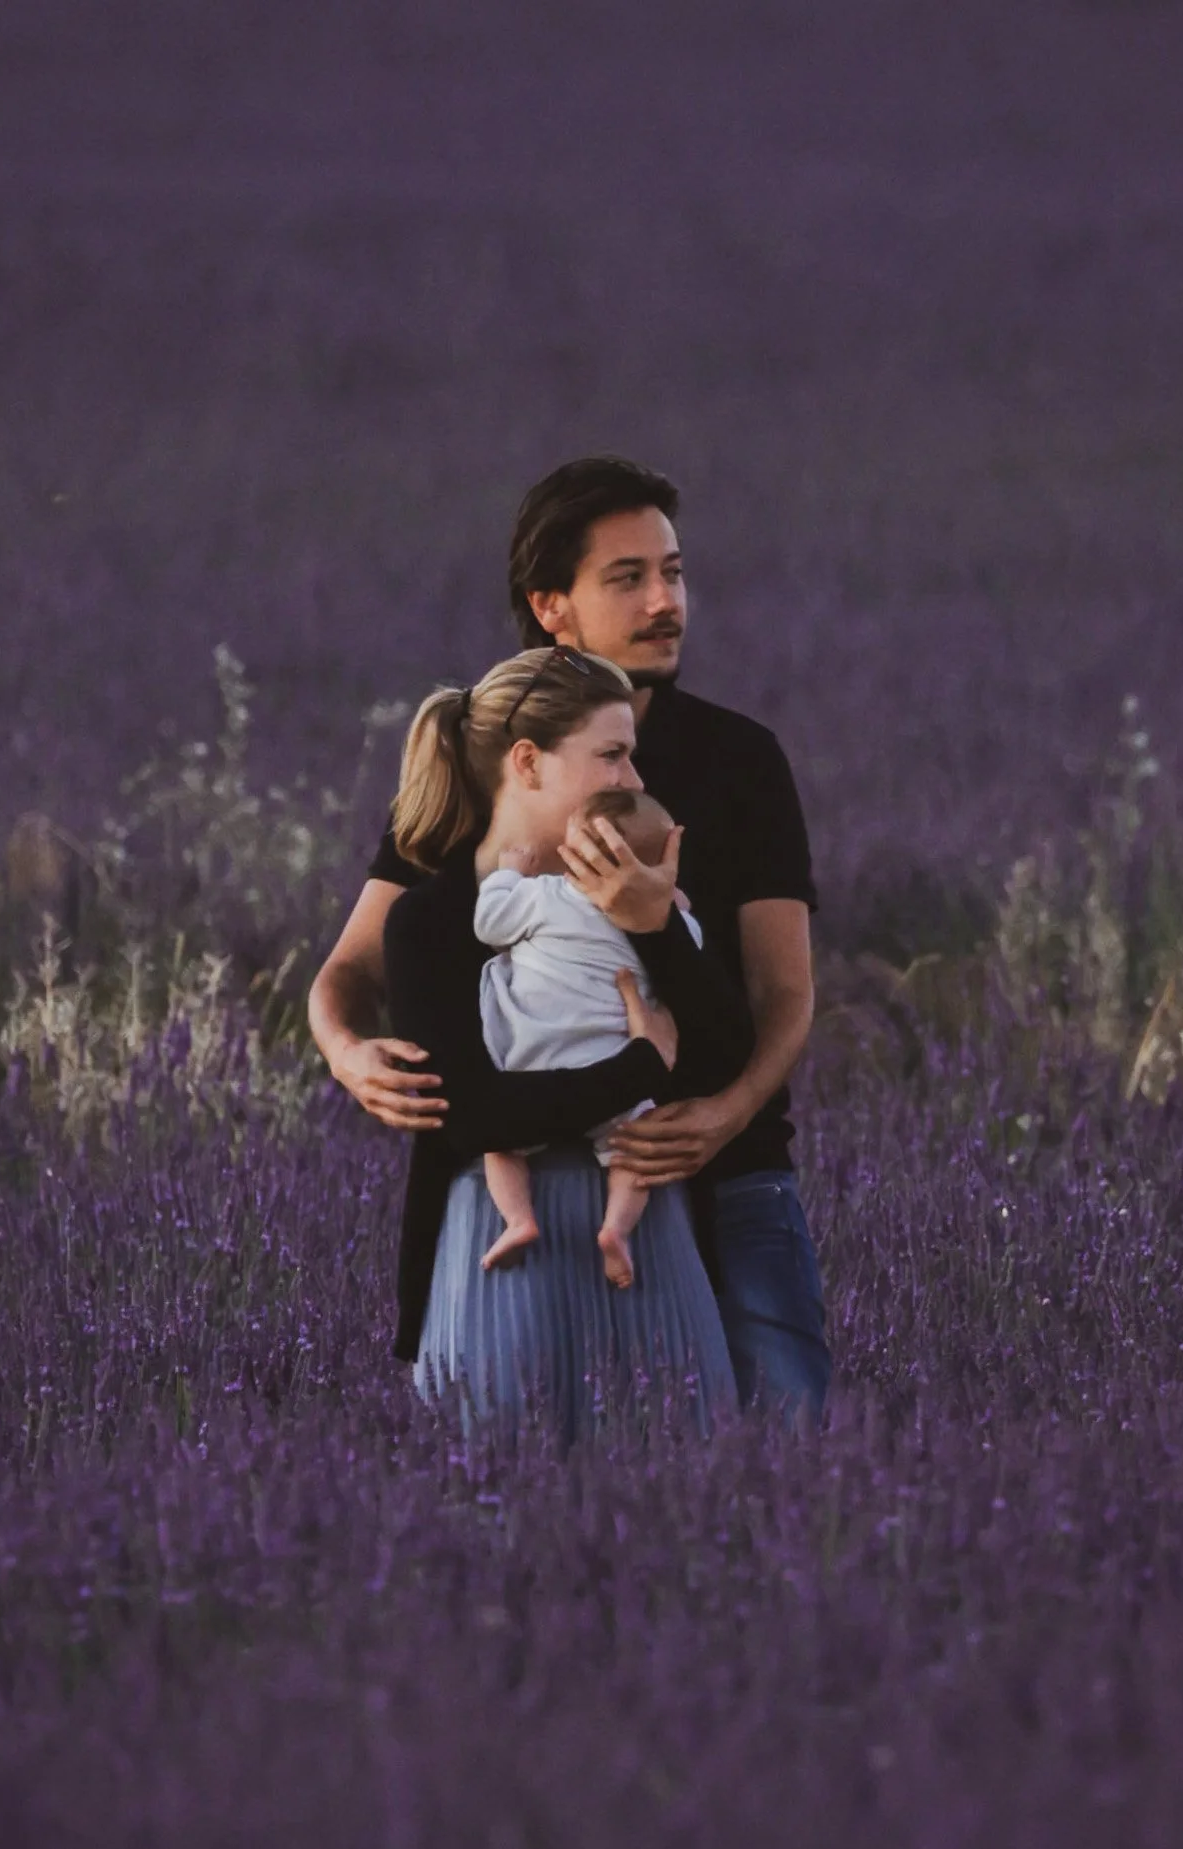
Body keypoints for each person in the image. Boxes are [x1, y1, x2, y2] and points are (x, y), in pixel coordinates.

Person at [310, 455, 833, 1421]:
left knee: (783, 1452)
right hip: (521, 1175)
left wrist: (725, 1113)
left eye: (672, 572)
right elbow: (352, 966)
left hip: (727, 1177)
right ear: (550, 606)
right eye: (626, 578)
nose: (664, 600)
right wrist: (346, 1051)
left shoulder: (738, 760)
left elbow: (785, 995)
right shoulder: (481, 768)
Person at [380, 647, 754, 1438]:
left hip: (645, 1241)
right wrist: (642, 1064)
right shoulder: (433, 920)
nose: (632, 781)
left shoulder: (651, 892)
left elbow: (725, 1060)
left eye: (632, 756)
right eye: (610, 756)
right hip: (499, 1244)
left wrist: (658, 933)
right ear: (528, 762)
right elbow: (474, 1115)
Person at [476, 788, 702, 1289]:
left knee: (500, 1145)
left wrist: (507, 873)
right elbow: (694, 947)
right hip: (617, 1065)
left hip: (531, 1063)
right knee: (632, 1152)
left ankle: (519, 1219)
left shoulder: (544, 896)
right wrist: (674, 904)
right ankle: (616, 1229)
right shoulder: (658, 921)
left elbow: (488, 923)